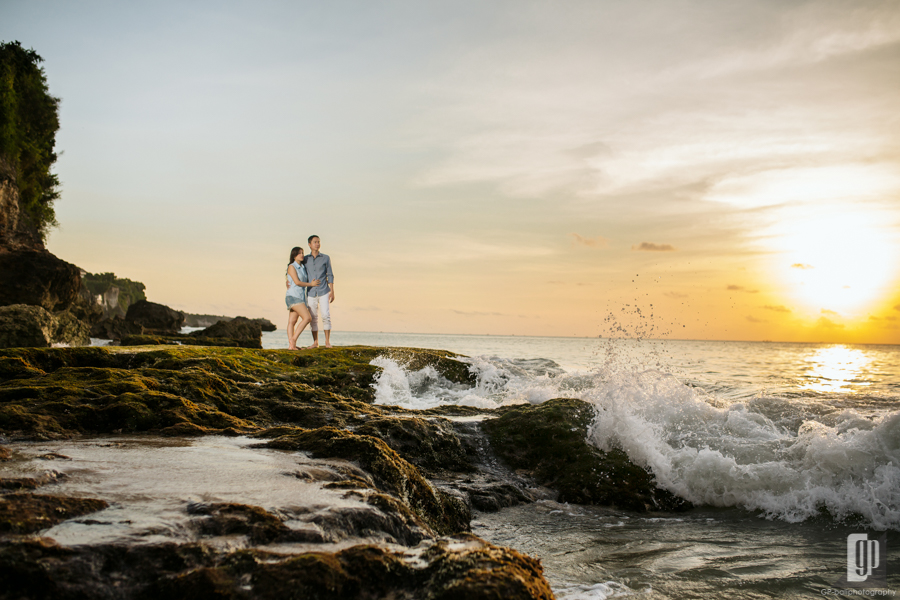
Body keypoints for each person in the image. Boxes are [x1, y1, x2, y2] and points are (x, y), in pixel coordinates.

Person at [284, 247, 319, 351]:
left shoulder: (303, 267)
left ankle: (292, 346)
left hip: (300, 297)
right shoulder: (291, 266)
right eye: (299, 253)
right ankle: (293, 340)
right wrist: (311, 284)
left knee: (292, 321)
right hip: (293, 296)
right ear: (294, 255)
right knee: (307, 318)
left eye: (302, 253)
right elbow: (297, 282)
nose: (302, 255)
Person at [304, 235, 334, 348]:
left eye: (319, 242)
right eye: (315, 242)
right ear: (309, 244)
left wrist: (332, 290)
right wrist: (288, 280)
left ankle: (327, 342)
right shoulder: (305, 259)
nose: (317, 244)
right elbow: (296, 270)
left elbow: (330, 274)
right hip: (311, 292)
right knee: (313, 317)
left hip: (324, 290)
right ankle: (315, 342)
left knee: (326, 315)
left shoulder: (325, 258)